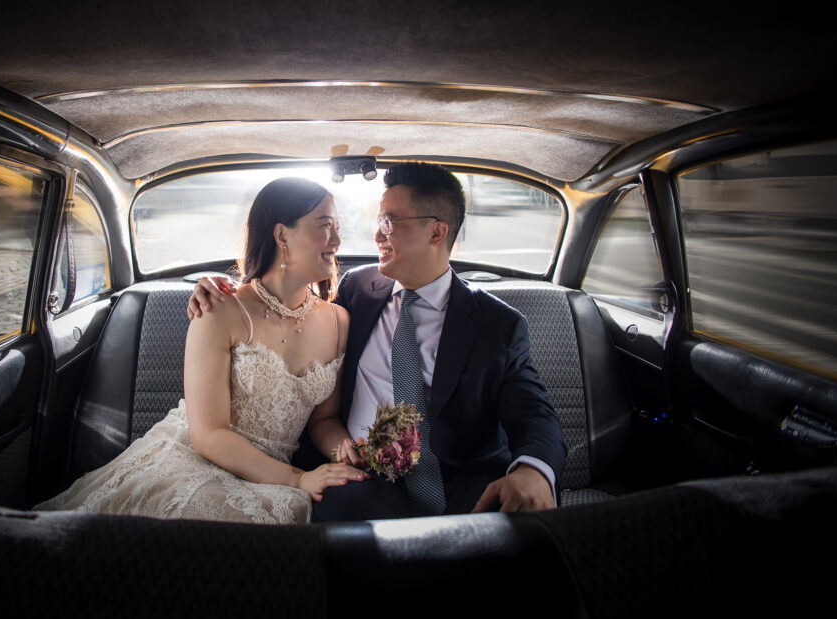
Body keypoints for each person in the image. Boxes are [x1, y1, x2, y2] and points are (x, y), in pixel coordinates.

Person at [189, 162, 566, 520]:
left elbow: (534, 413)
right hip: (361, 477)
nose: (376, 235)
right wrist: (215, 288)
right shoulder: (359, 290)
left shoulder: (498, 324)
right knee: (336, 506)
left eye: (390, 222)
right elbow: (280, 308)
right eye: (378, 220)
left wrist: (534, 469)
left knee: (513, 518)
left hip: (458, 482)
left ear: (437, 232)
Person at [34, 177, 366, 523]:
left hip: (272, 477)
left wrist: (344, 451)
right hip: (195, 461)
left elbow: (323, 419)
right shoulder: (219, 309)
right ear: (282, 235)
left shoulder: (338, 322)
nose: (337, 241)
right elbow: (209, 435)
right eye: (325, 226)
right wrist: (298, 480)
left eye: (338, 228)